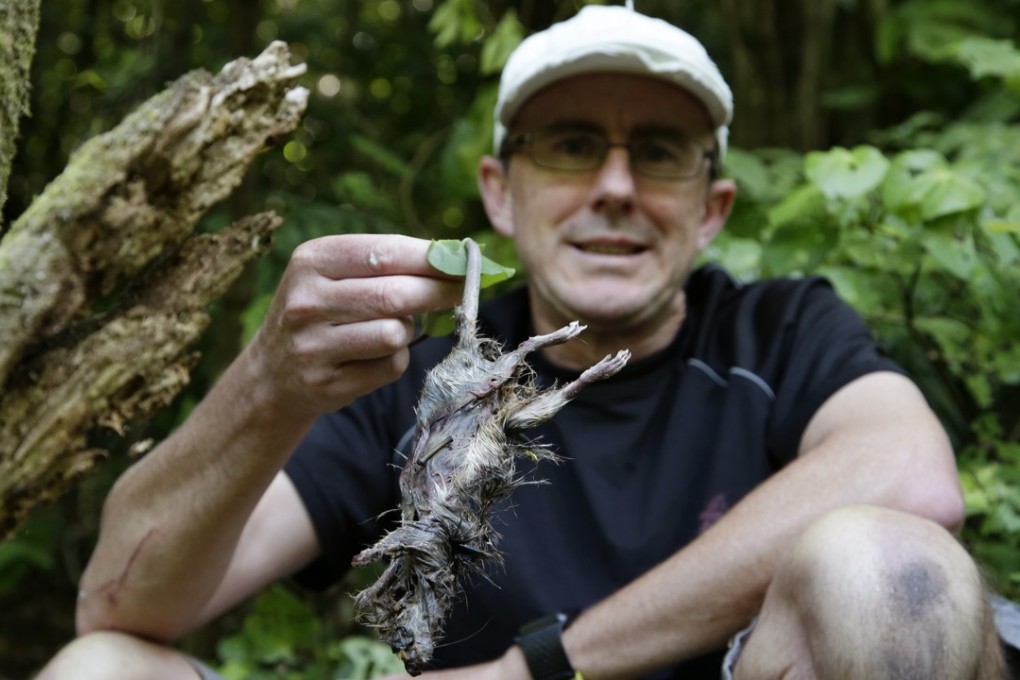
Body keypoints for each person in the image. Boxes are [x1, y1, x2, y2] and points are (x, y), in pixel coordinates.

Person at [37, 4, 1013, 680]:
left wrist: (534, 665)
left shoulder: (781, 329)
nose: (616, 187)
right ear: (500, 190)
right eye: (572, 143)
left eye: (660, 152)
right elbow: (123, 605)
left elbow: (910, 475)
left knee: (887, 561)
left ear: (713, 207)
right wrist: (268, 383)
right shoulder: (416, 371)